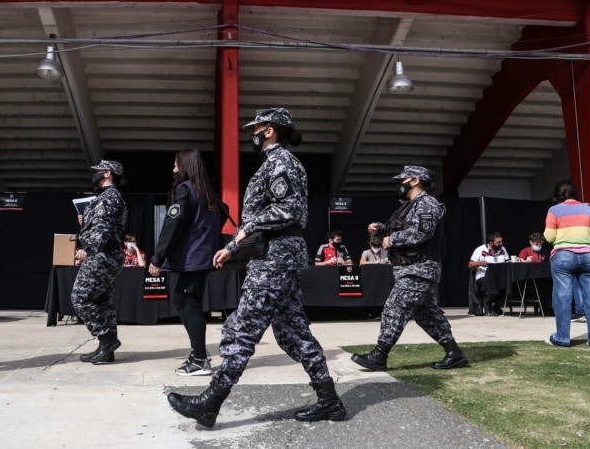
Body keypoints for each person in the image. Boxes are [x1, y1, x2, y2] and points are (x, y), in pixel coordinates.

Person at [167, 108, 346, 427]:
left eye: (256, 127)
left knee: (242, 326)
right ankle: (330, 401)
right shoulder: (280, 163)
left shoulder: (280, 162)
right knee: (293, 331)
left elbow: (288, 209)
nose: (252, 132)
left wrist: (243, 234)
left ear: (270, 131)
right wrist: (238, 242)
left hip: (276, 253)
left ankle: (211, 402)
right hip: (280, 251)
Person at [351, 165, 468, 371]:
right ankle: (454, 353)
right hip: (408, 268)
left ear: (415, 180)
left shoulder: (427, 204)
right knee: (427, 315)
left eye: (402, 181)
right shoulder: (407, 206)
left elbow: (421, 233)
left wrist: (392, 239)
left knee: (394, 308)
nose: (400, 185)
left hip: (419, 269)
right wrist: (378, 229)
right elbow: (390, 233)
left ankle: (380, 355)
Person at [148, 149, 222, 376]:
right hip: (200, 257)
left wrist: (157, 257)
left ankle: (200, 359)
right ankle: (198, 351)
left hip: (193, 258)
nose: (173, 169)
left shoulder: (184, 191)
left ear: (185, 165)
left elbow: (172, 226)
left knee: (190, 304)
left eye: (176, 165)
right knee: (181, 300)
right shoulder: (208, 193)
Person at [73, 161, 128, 364]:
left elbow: (103, 229)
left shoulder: (108, 198)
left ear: (106, 173)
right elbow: (102, 225)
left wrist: (87, 250)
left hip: (102, 256)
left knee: (81, 298)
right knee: (102, 302)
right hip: (108, 255)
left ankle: (107, 339)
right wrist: (85, 221)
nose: (93, 175)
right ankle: (106, 350)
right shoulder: (109, 198)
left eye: (96, 172)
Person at [543, 180, 590, 349]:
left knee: (562, 297)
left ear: (557, 195)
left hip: (563, 256)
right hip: (588, 257)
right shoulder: (589, 209)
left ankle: (562, 337)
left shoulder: (554, 210)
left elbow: (548, 237)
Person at [468, 232, 509, 316]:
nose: (501, 244)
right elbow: (470, 265)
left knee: (509, 283)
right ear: (491, 242)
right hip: (483, 276)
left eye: (501, 242)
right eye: (498, 242)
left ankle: (494, 305)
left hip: (499, 277)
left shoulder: (503, 249)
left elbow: (507, 262)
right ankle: (489, 306)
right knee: (490, 284)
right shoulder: (480, 249)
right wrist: (479, 263)